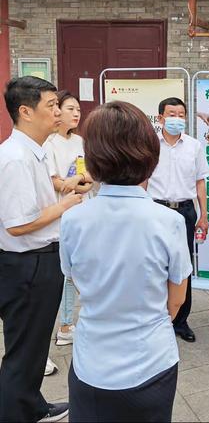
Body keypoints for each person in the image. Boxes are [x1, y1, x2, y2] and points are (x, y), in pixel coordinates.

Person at [61, 101, 192, 421]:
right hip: (151, 362)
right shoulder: (169, 222)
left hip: (92, 364)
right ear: (150, 156)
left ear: (92, 159)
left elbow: (77, 281)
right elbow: (176, 301)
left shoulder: (72, 220)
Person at [0, 76, 82, 422]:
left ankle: (30, 405)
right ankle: (14, 414)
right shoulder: (16, 157)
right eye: (50, 106)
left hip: (36, 261)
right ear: (25, 111)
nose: (58, 113)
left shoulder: (33, 151)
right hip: (27, 265)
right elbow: (18, 224)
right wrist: (65, 206)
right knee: (24, 350)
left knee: (33, 348)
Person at [147, 97, 209, 343]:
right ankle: (155, 317)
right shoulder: (150, 145)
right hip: (154, 209)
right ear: (161, 117)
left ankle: (180, 321)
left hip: (185, 211)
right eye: (171, 114)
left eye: (181, 114)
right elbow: (142, 178)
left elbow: (200, 181)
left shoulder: (194, 146)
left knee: (183, 267)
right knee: (153, 265)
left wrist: (203, 214)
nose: (177, 118)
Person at [44, 90, 93, 348]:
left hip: (85, 211)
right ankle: (65, 325)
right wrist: (75, 183)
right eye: (70, 109)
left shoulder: (80, 141)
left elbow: (89, 177)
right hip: (64, 216)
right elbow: (56, 183)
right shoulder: (49, 144)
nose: (76, 113)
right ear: (57, 111)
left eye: (78, 110)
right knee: (68, 274)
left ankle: (78, 320)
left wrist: (77, 184)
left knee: (83, 270)